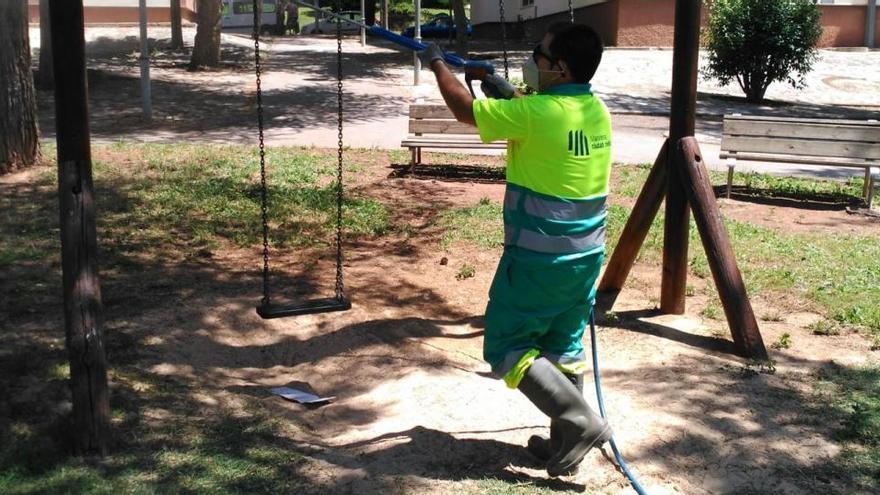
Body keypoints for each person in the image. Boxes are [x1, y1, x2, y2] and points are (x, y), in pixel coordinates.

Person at [421, 23, 613, 477]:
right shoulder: (593, 110)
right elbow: (538, 113)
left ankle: (580, 422)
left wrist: (436, 63)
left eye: (539, 54)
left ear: (560, 67)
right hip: (584, 259)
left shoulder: (537, 114)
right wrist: (503, 87)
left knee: (508, 344)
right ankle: (564, 438)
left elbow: (465, 110)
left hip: (536, 259)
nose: (533, 58)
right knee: (563, 345)